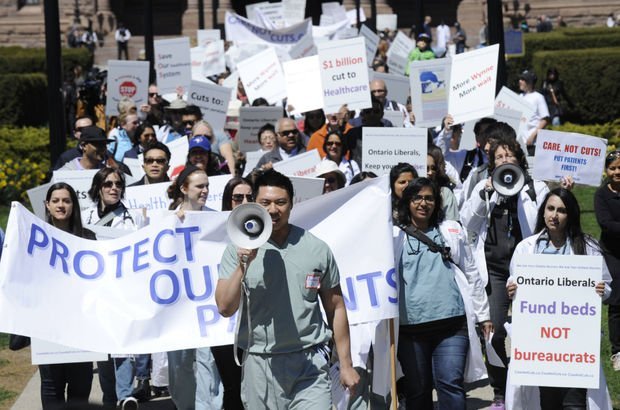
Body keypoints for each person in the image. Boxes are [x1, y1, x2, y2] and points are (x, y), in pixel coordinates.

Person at [215, 170, 360, 409]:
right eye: (265, 203)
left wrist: (345, 364)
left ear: (292, 204)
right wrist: (243, 266)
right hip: (260, 364)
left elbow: (336, 307)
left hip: (309, 364)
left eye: (281, 202)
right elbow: (224, 307)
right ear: (254, 205)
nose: (273, 210)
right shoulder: (237, 249)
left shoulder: (317, 249)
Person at [460, 135, 550, 409]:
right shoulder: (483, 187)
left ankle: (535, 386)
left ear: (519, 159)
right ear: (492, 162)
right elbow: (467, 223)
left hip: (528, 269)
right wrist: (485, 194)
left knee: (536, 331)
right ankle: (500, 389)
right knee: (495, 332)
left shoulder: (536, 187)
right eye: (499, 157)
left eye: (509, 156)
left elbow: (545, 223)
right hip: (496, 271)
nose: (504, 161)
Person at [506, 188, 611, 409]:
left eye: (561, 210)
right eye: (550, 208)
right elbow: (514, 281)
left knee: (574, 402)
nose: (555, 215)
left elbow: (606, 286)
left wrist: (602, 290)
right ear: (543, 212)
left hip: (574, 344)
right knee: (547, 401)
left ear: (570, 214)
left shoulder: (588, 247)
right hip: (539, 343)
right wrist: (512, 288)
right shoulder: (526, 249)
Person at [395, 177, 492, 409]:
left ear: (436, 203)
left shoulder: (451, 230)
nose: (423, 203)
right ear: (407, 202)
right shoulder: (393, 236)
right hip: (411, 331)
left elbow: (471, 273)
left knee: (450, 385)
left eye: (429, 198)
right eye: (417, 198)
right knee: (417, 391)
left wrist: (483, 315)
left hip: (452, 325)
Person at [166, 165, 223, 410]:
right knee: (179, 367)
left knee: (209, 365)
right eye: (200, 186)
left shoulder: (216, 219)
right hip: (178, 308)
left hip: (207, 306)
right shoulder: (166, 221)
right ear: (184, 189)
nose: (205, 191)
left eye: (207, 186)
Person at [39, 183, 96, 409]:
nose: (61, 205)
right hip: (48, 326)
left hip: (81, 325)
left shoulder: (88, 238)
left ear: (73, 205)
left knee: (80, 388)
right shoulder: (37, 237)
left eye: (66, 200)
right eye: (56, 201)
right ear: (47, 205)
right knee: (51, 386)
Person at [595, 151, 620, 371]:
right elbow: (605, 223)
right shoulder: (602, 195)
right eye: (612, 168)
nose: (617, 172)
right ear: (606, 170)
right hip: (612, 253)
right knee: (616, 302)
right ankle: (617, 351)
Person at [518, 70, 550, 154]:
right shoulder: (520, 96)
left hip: (532, 144)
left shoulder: (538, 97)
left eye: (523, 79)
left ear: (530, 82)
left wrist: (532, 136)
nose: (520, 81)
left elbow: (545, 119)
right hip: (520, 143)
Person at [427, 145, 460, 221]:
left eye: (433, 168)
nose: (430, 172)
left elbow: (452, 223)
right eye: (426, 168)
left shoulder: (445, 192)